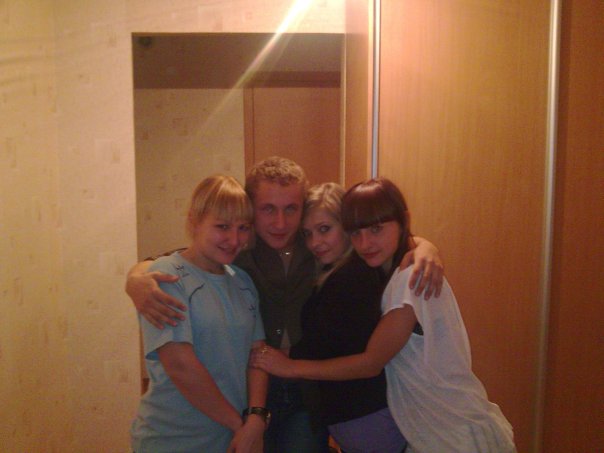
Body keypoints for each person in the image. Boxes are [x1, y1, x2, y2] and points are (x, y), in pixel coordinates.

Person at [126, 157, 444, 452]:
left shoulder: (319, 245)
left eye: (291, 209)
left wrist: (423, 246)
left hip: (307, 390)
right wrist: (136, 276)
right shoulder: (236, 248)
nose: (280, 222)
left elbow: (377, 231)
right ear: (251, 208)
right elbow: (184, 257)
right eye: (267, 209)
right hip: (250, 387)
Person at [251, 178, 516, 453]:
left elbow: (370, 363)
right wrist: (423, 245)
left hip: (447, 422)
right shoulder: (384, 269)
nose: (365, 242)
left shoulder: (409, 279)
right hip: (422, 420)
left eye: (376, 229)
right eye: (357, 232)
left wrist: (290, 366)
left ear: (403, 221)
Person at [130, 175, 268, 453]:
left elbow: (258, 355)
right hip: (172, 439)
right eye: (222, 226)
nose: (234, 239)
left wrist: (256, 416)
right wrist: (239, 426)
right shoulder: (167, 275)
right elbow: (180, 365)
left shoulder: (242, 281)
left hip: (228, 438)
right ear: (194, 221)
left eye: (243, 228)